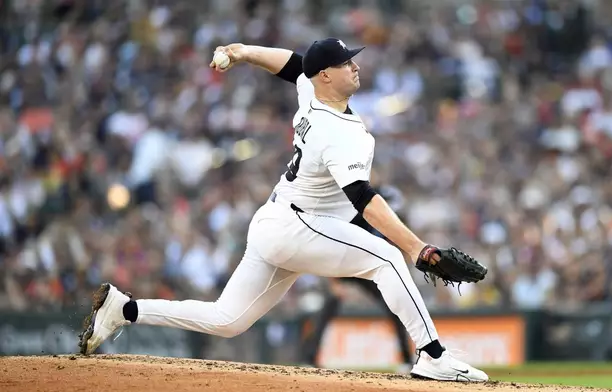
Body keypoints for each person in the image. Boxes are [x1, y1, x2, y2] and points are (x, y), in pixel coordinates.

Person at [78, 38, 489, 382]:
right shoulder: (337, 131)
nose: (355, 67)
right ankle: (433, 355)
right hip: (300, 225)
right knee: (388, 257)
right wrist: (416, 247)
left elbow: (293, 65)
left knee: (227, 320)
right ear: (326, 74)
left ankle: (126, 309)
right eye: (346, 63)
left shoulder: (313, 92)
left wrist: (242, 51)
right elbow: (363, 199)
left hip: (278, 222)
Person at [299, 172, 414, 369]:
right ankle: (309, 359)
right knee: (327, 308)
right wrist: (333, 281)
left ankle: (406, 360)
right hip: (343, 262)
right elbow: (329, 242)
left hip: (367, 263)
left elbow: (401, 230)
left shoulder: (384, 202)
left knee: (394, 305)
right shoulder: (348, 204)